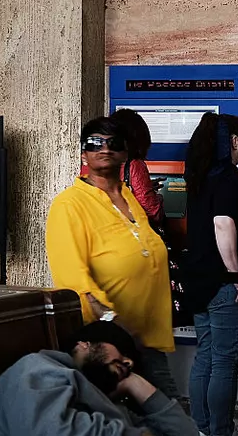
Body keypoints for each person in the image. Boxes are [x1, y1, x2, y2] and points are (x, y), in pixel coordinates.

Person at [46, 116, 178, 399]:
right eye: (95, 143)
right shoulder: (69, 204)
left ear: (126, 153)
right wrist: (113, 323)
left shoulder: (128, 196)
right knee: (159, 415)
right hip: (107, 345)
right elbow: (74, 279)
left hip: (146, 337)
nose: (104, 149)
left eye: (113, 143)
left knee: (163, 414)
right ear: (84, 153)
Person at [184, 112, 238, 436]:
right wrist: (235, 275)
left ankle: (203, 427)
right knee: (224, 362)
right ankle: (221, 431)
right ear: (233, 141)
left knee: (205, 354)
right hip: (223, 284)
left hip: (201, 281)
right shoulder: (228, 177)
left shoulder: (200, 176)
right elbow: (223, 223)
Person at [0, 320, 198, 436]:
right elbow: (55, 431)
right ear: (84, 344)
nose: (129, 363)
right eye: (121, 350)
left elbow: (186, 433)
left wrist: (137, 384)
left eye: (131, 361)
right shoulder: (36, 369)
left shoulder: (109, 402)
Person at [112, 108, 167, 228]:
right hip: (128, 237)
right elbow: (152, 212)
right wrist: (159, 198)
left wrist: (146, 186)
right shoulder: (134, 165)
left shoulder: (96, 163)